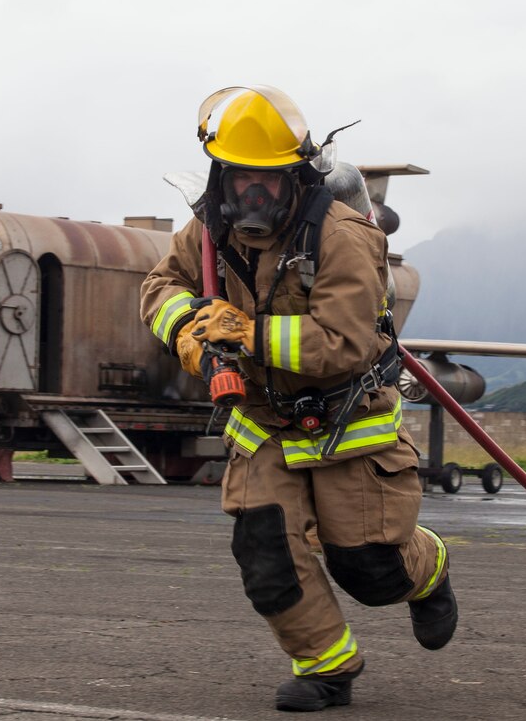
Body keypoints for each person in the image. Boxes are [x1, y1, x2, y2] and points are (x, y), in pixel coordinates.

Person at [140, 85, 456, 713]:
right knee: (265, 552)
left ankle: (430, 566)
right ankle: (326, 666)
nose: (251, 198)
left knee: (369, 568)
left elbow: (342, 343)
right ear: (220, 175)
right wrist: (188, 331)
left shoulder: (344, 239)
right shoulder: (207, 229)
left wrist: (244, 334)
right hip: (262, 423)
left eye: (268, 184)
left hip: (346, 420)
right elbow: (161, 286)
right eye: (239, 182)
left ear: (299, 176)